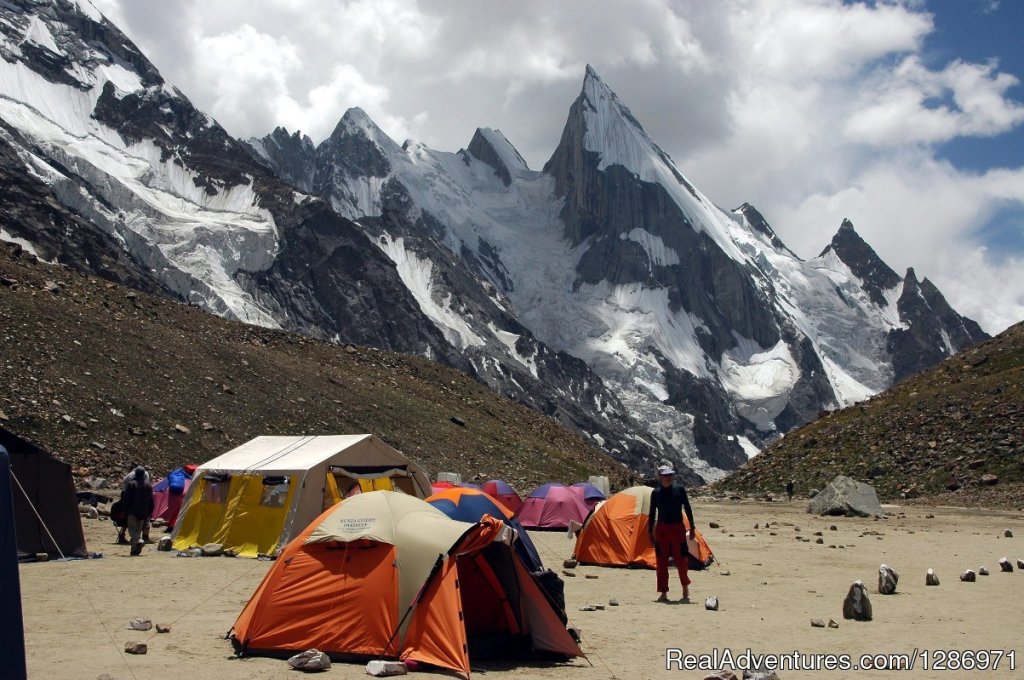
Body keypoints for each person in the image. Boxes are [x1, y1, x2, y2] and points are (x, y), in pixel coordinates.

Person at [648, 464, 695, 602]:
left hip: (677, 528)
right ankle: (663, 592)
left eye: (670, 475)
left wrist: (692, 527)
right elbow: (651, 513)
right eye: (665, 475)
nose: (668, 478)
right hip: (662, 529)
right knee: (661, 562)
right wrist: (650, 531)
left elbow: (687, 508)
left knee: (682, 560)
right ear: (659, 477)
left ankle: (685, 588)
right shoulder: (656, 493)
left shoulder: (679, 490)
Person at [121, 467, 154, 556]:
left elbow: (126, 498)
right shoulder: (148, 486)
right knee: (138, 530)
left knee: (132, 529)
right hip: (143, 512)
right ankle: (134, 550)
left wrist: (124, 508)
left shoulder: (131, 484)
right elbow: (151, 499)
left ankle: (139, 540)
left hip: (133, 511)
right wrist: (150, 511)